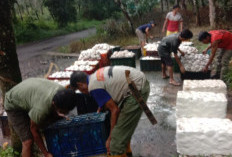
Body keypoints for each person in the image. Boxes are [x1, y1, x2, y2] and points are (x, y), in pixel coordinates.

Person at [70, 66, 150, 157]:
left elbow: (115, 110)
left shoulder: (93, 87)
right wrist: (102, 105)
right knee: (122, 128)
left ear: (80, 84)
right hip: (138, 81)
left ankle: (118, 151)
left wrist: (110, 138)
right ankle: (126, 152)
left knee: (115, 143)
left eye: (79, 90)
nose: (82, 92)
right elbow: (108, 93)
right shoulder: (94, 76)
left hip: (136, 88)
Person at [4, 78, 77, 157]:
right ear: (54, 104)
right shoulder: (41, 108)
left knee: (54, 120)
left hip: (30, 94)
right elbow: (34, 130)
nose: (65, 113)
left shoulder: (64, 93)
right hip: (13, 103)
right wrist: (46, 153)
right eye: (63, 111)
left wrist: (58, 114)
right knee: (28, 141)